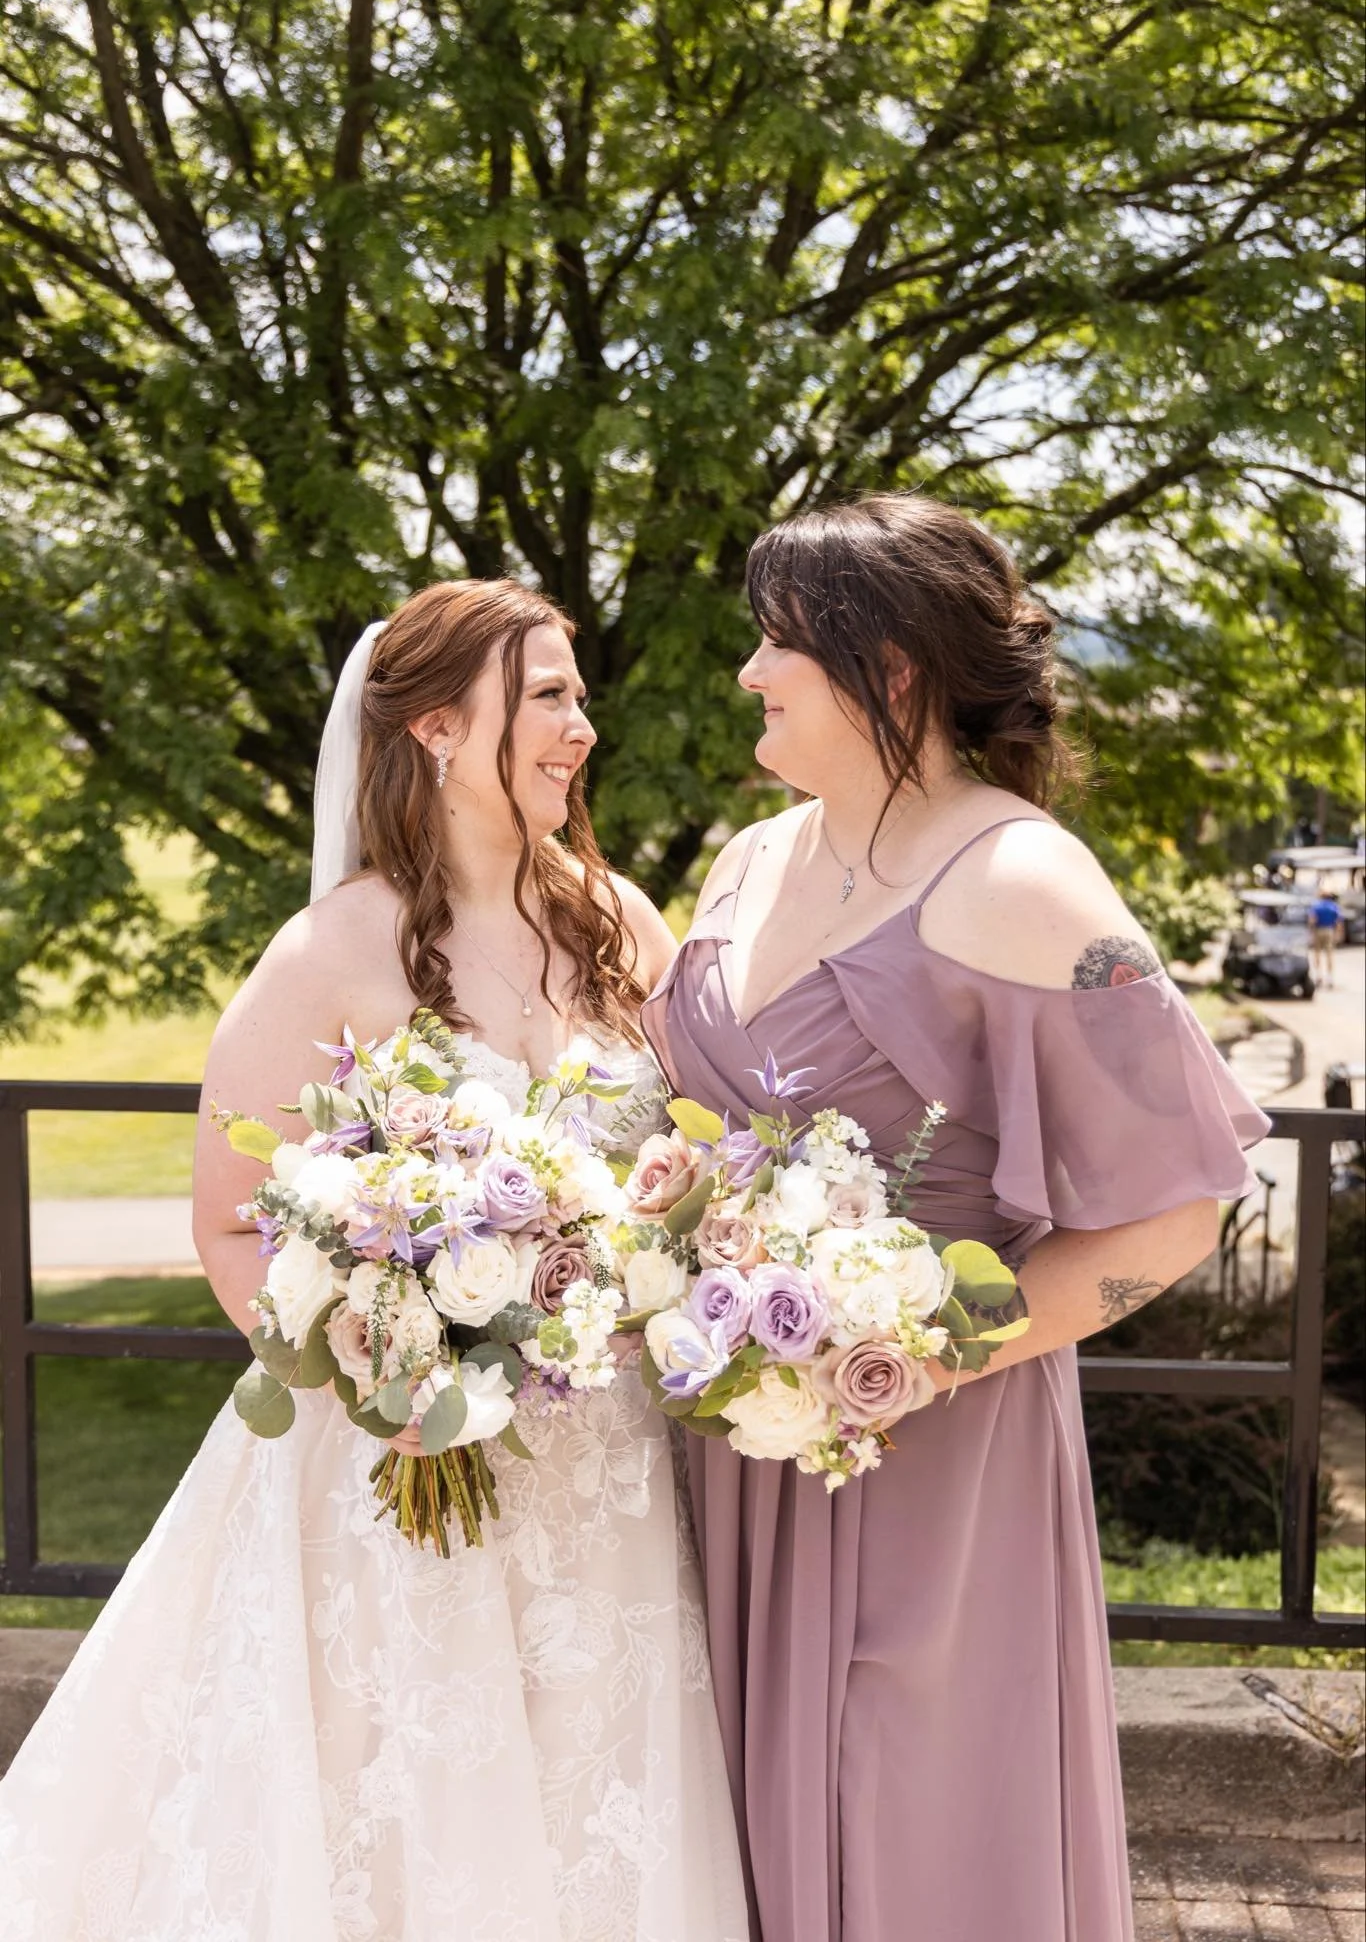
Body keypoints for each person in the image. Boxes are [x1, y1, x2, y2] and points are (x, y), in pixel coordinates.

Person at [0, 579, 749, 1942]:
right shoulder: (332, 949)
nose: (581, 724)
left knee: (596, 1778)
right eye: (547, 695)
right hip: (397, 1460)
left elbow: (694, 1143)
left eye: (578, 695)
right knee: (402, 1802)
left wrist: (672, 1202)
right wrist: (387, 1372)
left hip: (605, 1463)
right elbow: (235, 1222)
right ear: (437, 729)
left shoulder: (623, 921)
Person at [643, 495, 1269, 1942]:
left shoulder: (1020, 880)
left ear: (894, 671)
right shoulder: (743, 861)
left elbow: (1170, 1215)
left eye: (775, 643)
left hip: (922, 1460)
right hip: (721, 1455)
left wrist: (912, 1356)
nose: (746, 675)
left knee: (902, 1820)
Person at [1310, 889, 1341, 987]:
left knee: (1317, 953)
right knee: (1329, 954)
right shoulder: (1334, 906)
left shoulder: (1316, 906)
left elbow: (1312, 919)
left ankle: (1318, 976)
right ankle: (1330, 978)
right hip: (1329, 930)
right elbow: (1338, 921)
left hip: (1318, 930)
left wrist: (1311, 931)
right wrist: (1338, 934)